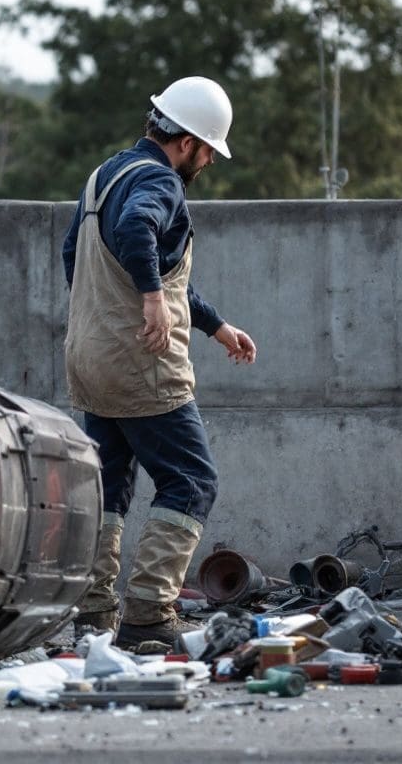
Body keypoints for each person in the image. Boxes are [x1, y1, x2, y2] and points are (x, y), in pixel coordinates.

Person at [62, 76, 257, 648]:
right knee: (191, 480)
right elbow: (137, 232)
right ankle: (148, 612)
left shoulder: (105, 176)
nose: (206, 164)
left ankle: (93, 616)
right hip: (141, 364)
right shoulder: (158, 180)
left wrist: (217, 327)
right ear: (192, 142)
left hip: (90, 358)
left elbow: (82, 257)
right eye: (208, 153)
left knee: (110, 486)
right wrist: (147, 302)